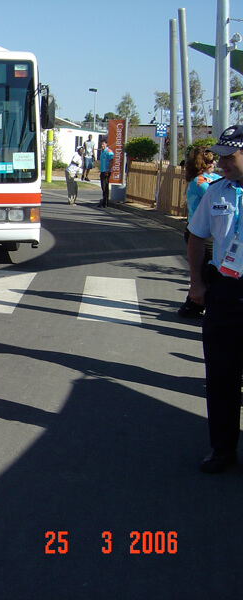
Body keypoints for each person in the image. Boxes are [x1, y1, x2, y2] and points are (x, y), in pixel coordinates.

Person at [186, 125, 243, 473]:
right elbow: (196, 236)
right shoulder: (217, 192)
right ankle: (222, 448)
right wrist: (196, 284)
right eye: (218, 156)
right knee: (221, 375)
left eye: (228, 156)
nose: (220, 163)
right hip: (226, 290)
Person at [178, 146, 220, 319]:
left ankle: (194, 305)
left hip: (211, 232)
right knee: (207, 270)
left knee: (207, 270)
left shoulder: (213, 177)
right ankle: (192, 306)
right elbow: (216, 191)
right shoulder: (199, 181)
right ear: (202, 163)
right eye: (210, 161)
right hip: (198, 232)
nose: (215, 163)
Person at [98, 140, 114, 208]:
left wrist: (108, 170)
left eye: (103, 144)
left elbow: (111, 161)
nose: (102, 145)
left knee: (105, 187)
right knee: (103, 187)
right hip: (102, 171)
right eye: (101, 144)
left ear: (106, 144)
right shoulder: (102, 152)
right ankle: (104, 202)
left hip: (106, 171)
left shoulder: (109, 151)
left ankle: (106, 202)